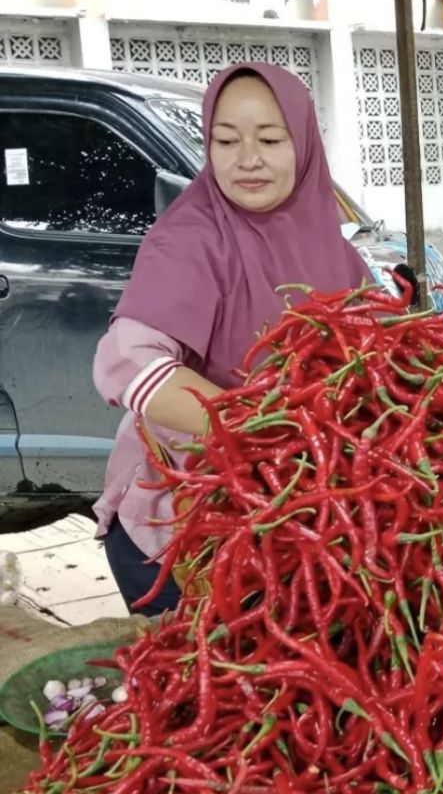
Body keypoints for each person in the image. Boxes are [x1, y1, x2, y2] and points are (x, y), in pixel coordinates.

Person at [93, 62, 373, 616]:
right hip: (179, 527)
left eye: (270, 139)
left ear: (306, 146)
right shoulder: (191, 237)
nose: (247, 159)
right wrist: (261, 429)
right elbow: (128, 361)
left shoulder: (334, 251)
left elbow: (375, 366)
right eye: (225, 140)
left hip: (289, 520)